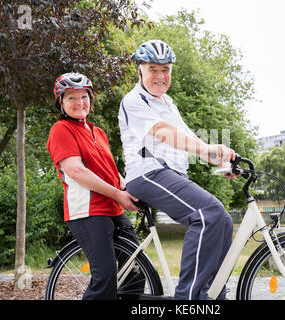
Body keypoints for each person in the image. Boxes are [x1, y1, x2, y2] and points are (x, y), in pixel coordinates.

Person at [118, 40, 237, 300]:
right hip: (148, 173)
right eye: (153, 69)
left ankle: (213, 293)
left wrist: (221, 160)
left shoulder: (169, 102)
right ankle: (190, 299)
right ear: (140, 70)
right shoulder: (134, 101)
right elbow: (162, 132)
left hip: (171, 174)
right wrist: (207, 150)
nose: (160, 76)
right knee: (209, 214)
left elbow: (187, 137)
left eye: (166, 69)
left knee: (224, 222)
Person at [47, 72, 140, 300]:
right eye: (71, 98)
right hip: (87, 212)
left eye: (84, 96)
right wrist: (118, 194)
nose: (80, 102)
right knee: (105, 276)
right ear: (60, 102)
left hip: (113, 208)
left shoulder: (97, 131)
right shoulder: (61, 130)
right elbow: (77, 171)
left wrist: (129, 188)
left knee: (135, 269)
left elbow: (111, 170)